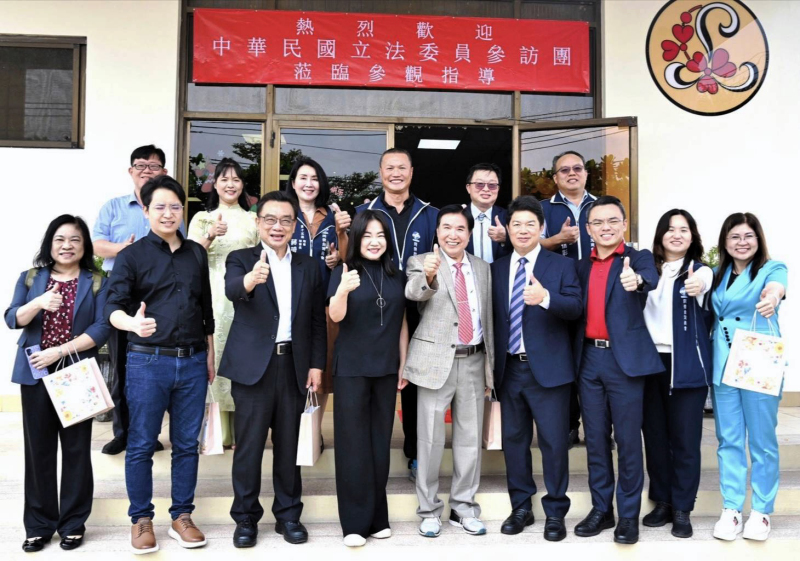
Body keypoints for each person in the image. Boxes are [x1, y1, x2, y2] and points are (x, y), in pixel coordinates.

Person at [105, 175, 215, 554]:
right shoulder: (131, 256)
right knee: (140, 444)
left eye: (175, 206)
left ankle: (182, 516)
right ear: (146, 210)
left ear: (183, 210)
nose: (168, 213)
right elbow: (112, 307)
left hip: (193, 362)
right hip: (147, 363)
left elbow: (206, 310)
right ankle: (141, 519)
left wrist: (209, 355)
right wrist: (131, 323)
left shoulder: (196, 253)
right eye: (160, 207)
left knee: (185, 445)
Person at [219, 191, 326, 548]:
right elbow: (233, 289)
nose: (277, 226)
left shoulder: (309, 266)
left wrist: (316, 364)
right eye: (270, 219)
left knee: (288, 447)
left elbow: (316, 321)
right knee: (248, 448)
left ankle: (289, 515)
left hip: (293, 365)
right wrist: (251, 280)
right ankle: (245, 518)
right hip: (253, 370)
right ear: (258, 222)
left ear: (294, 226)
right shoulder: (241, 258)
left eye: (285, 220)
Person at [5, 215, 110, 553]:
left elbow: (101, 328)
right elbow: (11, 318)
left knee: (77, 450)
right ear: (50, 244)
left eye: (75, 240)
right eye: (60, 239)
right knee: (38, 451)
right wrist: (37, 302)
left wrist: (59, 351)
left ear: (85, 245)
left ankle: (73, 524)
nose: (67, 246)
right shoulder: (31, 278)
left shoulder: (97, 281)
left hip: (75, 374)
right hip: (34, 374)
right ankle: (38, 526)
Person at [490, 196, 582, 541]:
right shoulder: (497, 268)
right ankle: (521, 507)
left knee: (554, 443)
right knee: (514, 442)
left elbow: (576, 307)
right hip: (509, 369)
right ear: (508, 229)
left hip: (550, 371)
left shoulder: (562, 266)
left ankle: (556, 510)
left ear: (541, 228)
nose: (523, 230)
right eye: (516, 224)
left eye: (530, 224)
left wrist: (545, 298)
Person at [573, 195, 662, 545]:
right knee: (595, 440)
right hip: (588, 360)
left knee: (627, 441)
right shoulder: (581, 265)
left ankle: (627, 515)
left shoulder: (637, 258)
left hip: (624, 362)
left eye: (612, 221)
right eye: (598, 222)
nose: (605, 227)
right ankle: (601, 509)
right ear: (588, 228)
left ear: (624, 224)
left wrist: (636, 281)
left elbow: (649, 278)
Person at [403, 205, 495, 538]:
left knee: (469, 439)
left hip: (473, 360)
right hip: (434, 362)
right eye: (446, 228)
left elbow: (489, 319)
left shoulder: (482, 268)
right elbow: (413, 293)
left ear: (469, 234)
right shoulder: (421, 261)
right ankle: (428, 510)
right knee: (429, 440)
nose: (452, 235)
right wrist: (429, 276)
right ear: (437, 231)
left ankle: (463, 507)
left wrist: (490, 371)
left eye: (460, 229)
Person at [357, 148, 438, 481]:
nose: (395, 173)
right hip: (376, 308)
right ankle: (366, 454)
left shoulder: (430, 214)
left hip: (421, 310)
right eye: (389, 168)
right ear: (380, 172)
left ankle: (415, 453)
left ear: (411, 172)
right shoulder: (365, 213)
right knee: (373, 380)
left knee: (415, 382)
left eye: (401, 168)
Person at [328, 211, 408, 547]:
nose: (374, 242)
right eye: (368, 235)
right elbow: (335, 316)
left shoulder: (397, 275)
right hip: (351, 369)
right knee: (352, 446)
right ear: (357, 238)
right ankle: (354, 523)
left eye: (381, 235)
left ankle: (377, 518)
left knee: (379, 444)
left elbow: (401, 322)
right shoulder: (345, 271)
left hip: (386, 369)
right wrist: (342, 291)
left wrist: (403, 363)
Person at [92, 144, 179, 455]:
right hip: (121, 293)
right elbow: (97, 245)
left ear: (164, 172)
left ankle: (148, 433)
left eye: (153, 166)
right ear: (131, 171)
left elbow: (178, 247)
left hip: (158, 294)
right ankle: (123, 433)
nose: (146, 171)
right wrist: (126, 250)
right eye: (140, 165)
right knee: (121, 365)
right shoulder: (114, 207)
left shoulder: (171, 210)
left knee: (152, 368)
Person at [710, 213, 787, 542]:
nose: (742, 242)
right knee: (728, 439)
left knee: (761, 440)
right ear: (725, 242)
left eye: (748, 236)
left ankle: (761, 510)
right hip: (723, 361)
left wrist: (772, 298)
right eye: (734, 237)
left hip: (758, 360)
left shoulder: (771, 268)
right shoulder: (716, 273)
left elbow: (776, 288)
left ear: (758, 239)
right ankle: (731, 507)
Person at [642, 209, 713, 538]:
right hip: (649, 365)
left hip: (686, 366)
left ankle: (683, 507)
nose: (677, 235)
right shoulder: (647, 270)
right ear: (660, 235)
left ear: (692, 236)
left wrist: (697, 284)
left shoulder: (700, 271)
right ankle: (663, 501)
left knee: (685, 440)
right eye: (670, 229)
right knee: (655, 438)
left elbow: (703, 283)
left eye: (684, 229)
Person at [188, 158, 258, 447]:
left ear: (242, 186)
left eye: (236, 180)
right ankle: (217, 433)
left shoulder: (254, 219)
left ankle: (244, 430)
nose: (231, 185)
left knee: (243, 357)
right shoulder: (201, 218)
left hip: (246, 295)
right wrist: (209, 236)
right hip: (212, 294)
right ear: (214, 184)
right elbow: (189, 259)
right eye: (224, 179)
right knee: (214, 356)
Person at [284, 156, 351, 426]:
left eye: (314, 178)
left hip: (323, 305)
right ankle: (290, 430)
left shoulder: (333, 217)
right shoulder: (285, 213)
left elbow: (349, 257)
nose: (309, 184)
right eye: (303, 178)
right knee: (290, 368)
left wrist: (339, 254)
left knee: (320, 370)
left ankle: (313, 431)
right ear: (293, 183)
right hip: (288, 303)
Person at [540, 151, 597, 448]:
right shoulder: (542, 209)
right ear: (555, 177)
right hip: (559, 298)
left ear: (586, 173)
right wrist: (556, 240)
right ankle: (569, 426)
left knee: (595, 364)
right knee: (565, 364)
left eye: (577, 168)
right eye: (564, 170)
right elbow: (526, 244)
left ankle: (599, 429)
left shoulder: (601, 206)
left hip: (598, 296)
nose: (571, 173)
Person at [464, 163, 510, 264]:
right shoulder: (458, 216)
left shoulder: (509, 217)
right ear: (468, 188)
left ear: (498, 189)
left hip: (499, 273)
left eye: (492, 185)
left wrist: (507, 237)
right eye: (480, 184)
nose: (486, 189)